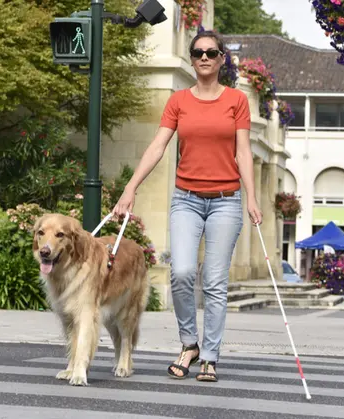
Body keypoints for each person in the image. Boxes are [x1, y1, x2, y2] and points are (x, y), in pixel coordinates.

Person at [112, 30, 262, 382]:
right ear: (192, 59)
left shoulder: (236, 100)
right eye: (198, 52)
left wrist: (251, 197)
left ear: (223, 58)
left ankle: (209, 355)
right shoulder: (178, 101)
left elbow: (243, 152)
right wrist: (130, 188)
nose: (205, 57)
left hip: (226, 202)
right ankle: (189, 343)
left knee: (213, 281)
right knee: (180, 273)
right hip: (186, 200)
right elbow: (157, 146)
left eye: (211, 52)